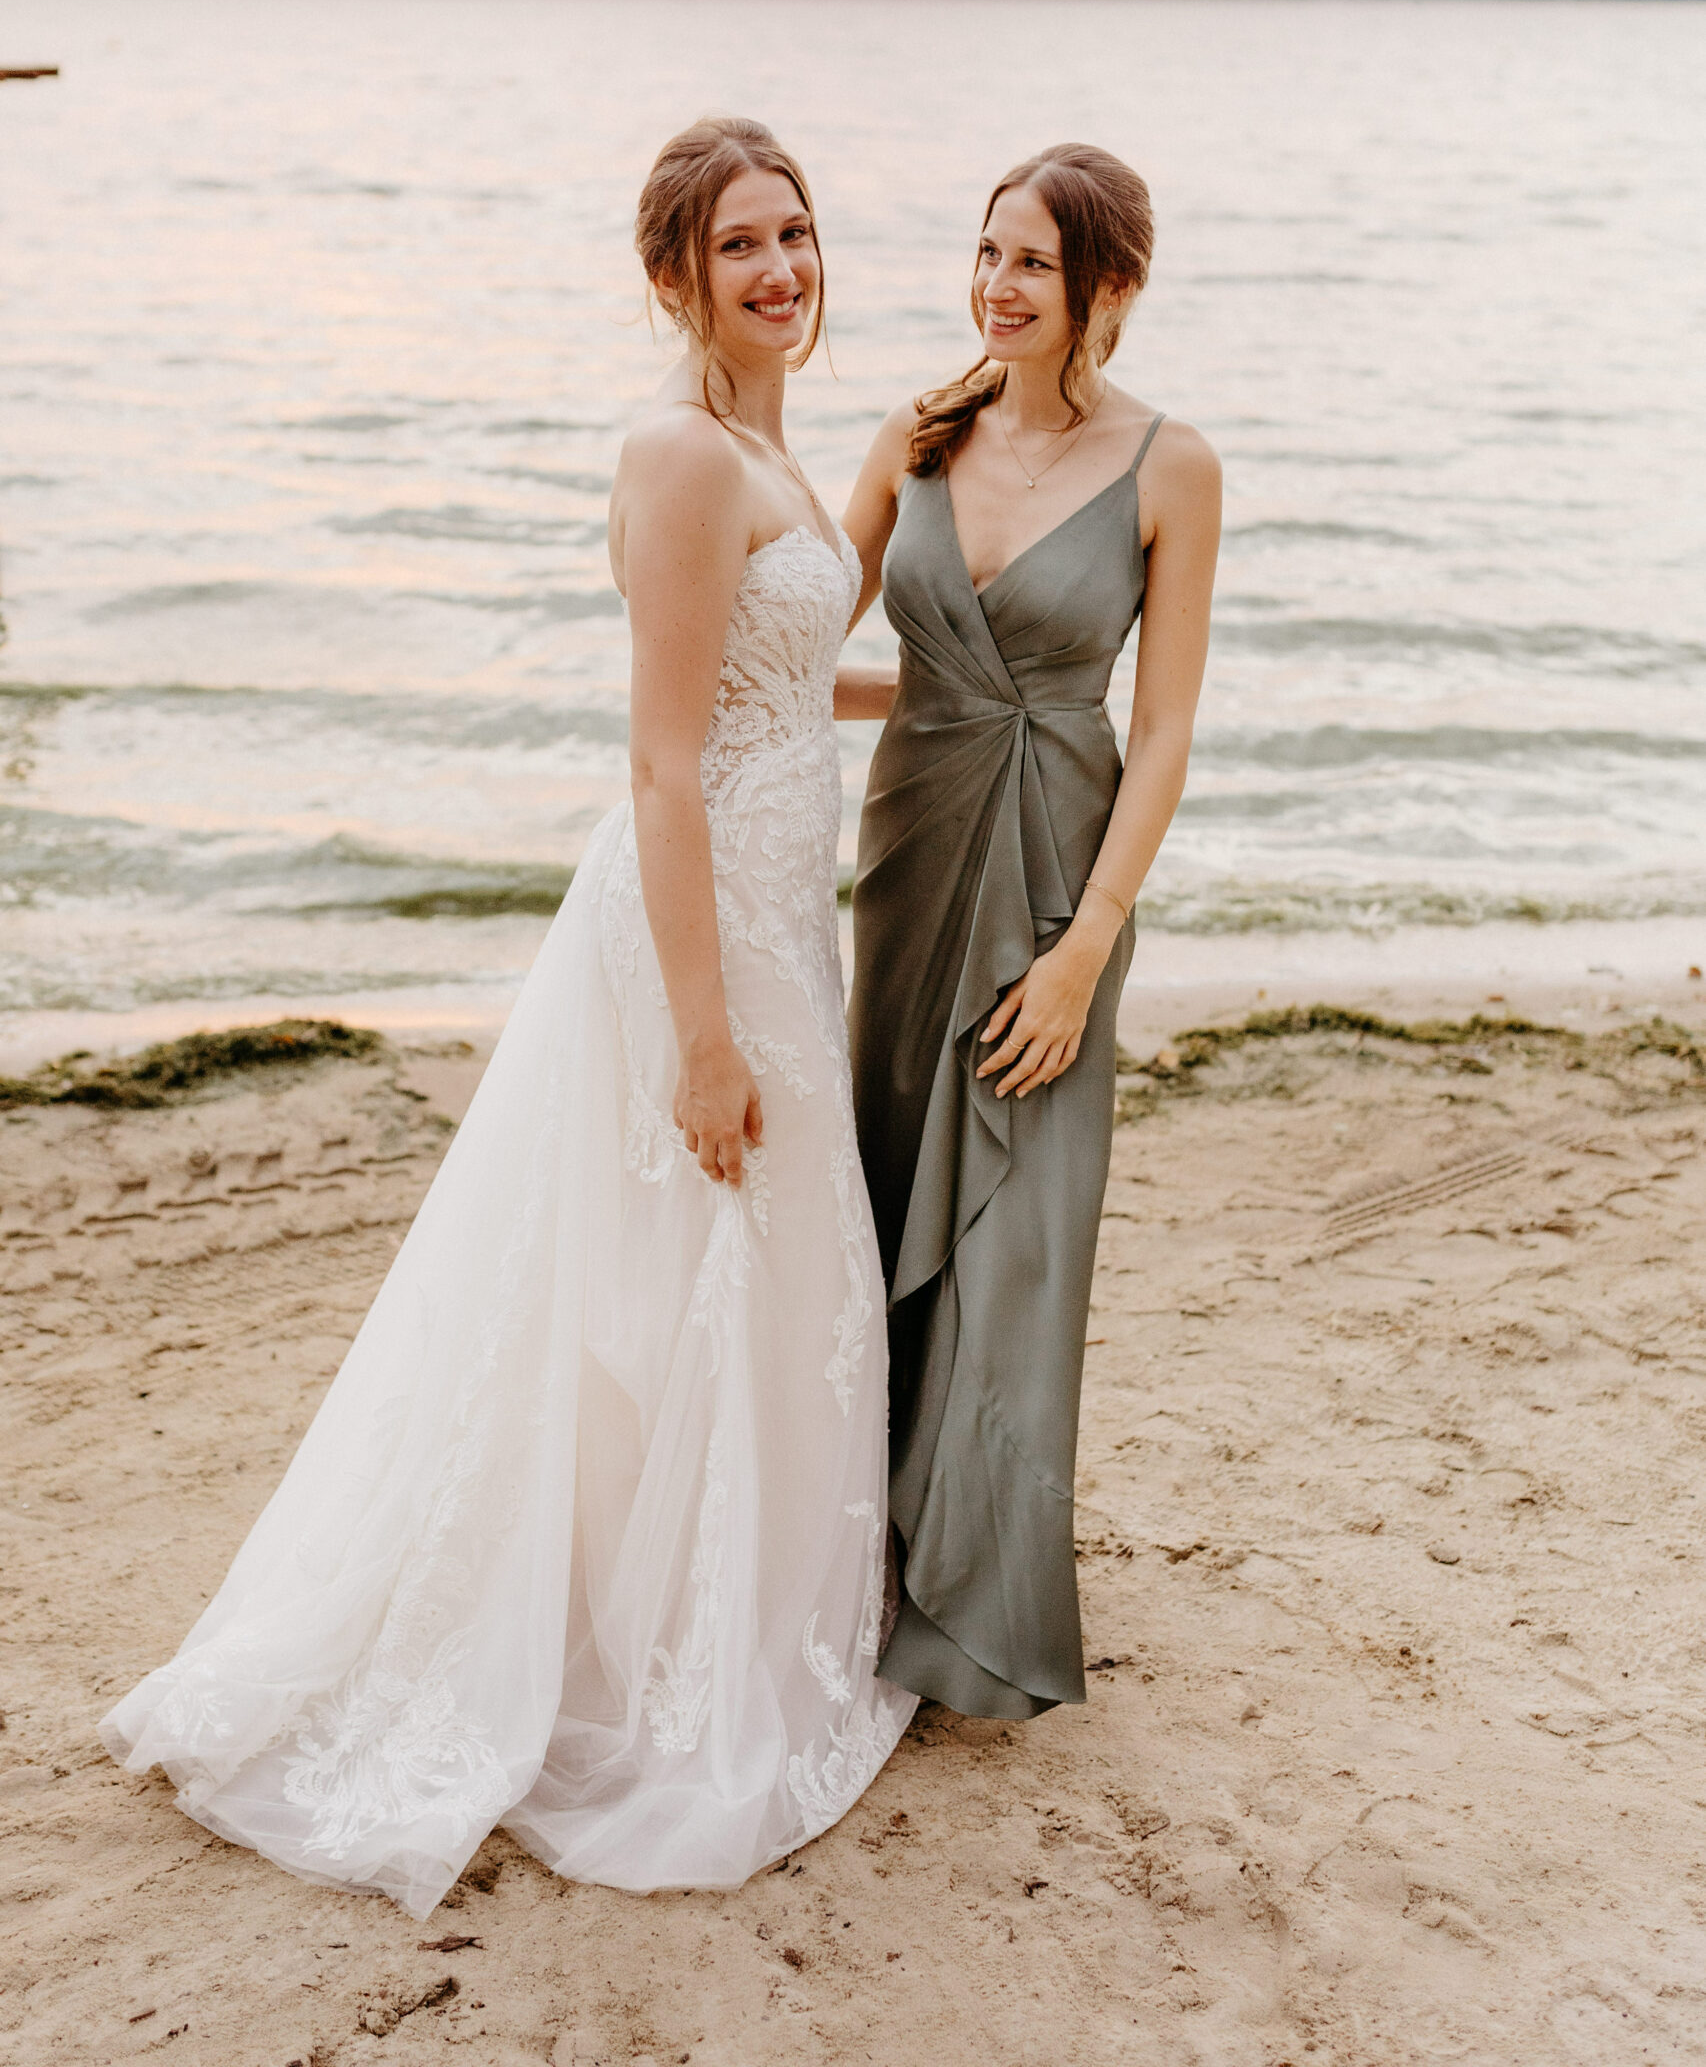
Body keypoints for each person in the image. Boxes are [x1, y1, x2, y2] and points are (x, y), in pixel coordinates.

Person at [100, 116, 914, 1917]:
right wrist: (704, 1037)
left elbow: (777, 680)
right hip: (701, 931)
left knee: (738, 1279)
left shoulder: (757, 446)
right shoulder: (681, 455)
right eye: (737, 250)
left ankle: (715, 1618)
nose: (781, 267)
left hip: (780, 902)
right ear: (668, 282)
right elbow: (663, 758)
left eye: (795, 233)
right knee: (711, 1253)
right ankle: (650, 1676)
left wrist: (955, 674)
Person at [839, 142, 1221, 1720]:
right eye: (984, 251)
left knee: (1020, 1233)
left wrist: (1084, 949)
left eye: (1033, 266)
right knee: (872, 1196)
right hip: (911, 853)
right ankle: (856, 1554)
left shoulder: (1171, 467)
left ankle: (973, 1604)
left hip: (1062, 875)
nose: (997, 286)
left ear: (1106, 291)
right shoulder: (915, 437)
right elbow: (798, 646)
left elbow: (1169, 728)